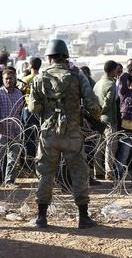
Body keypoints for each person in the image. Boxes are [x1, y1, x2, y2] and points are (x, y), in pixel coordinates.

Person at [29, 39, 101, 229]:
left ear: (49, 57)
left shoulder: (39, 78)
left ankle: (41, 217)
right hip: (72, 133)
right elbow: (93, 105)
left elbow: (33, 108)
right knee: (79, 174)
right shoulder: (77, 76)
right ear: (65, 56)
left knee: (46, 174)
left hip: (49, 134)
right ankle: (83, 218)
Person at [0, 69, 24, 191]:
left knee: (13, 158)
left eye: (11, 78)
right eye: (6, 78)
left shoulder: (18, 94)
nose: (9, 80)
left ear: (15, 79)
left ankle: (9, 181)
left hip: (15, 130)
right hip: (2, 131)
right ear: (3, 80)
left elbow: (19, 111)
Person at [93, 60, 119, 181]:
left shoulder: (98, 83)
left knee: (99, 146)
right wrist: (102, 112)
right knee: (110, 146)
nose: (117, 72)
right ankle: (109, 173)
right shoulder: (111, 84)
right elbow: (107, 103)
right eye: (116, 70)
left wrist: (97, 114)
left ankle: (97, 172)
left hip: (98, 120)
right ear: (112, 70)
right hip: (109, 119)